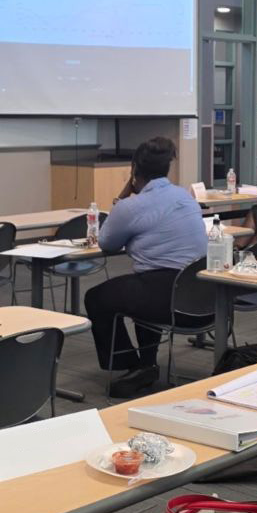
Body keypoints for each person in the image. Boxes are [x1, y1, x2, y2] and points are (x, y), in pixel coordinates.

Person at [84, 137, 207, 398]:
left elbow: (106, 242)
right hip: (205, 297)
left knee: (97, 297)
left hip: (169, 300)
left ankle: (130, 364)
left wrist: (123, 194)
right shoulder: (184, 196)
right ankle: (145, 364)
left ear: (134, 171)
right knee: (139, 284)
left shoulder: (131, 206)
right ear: (167, 169)